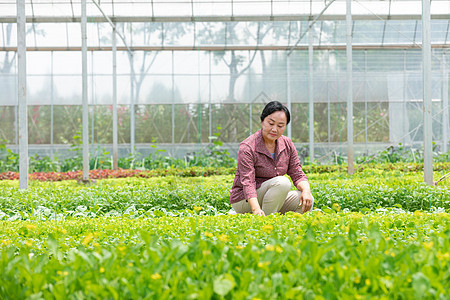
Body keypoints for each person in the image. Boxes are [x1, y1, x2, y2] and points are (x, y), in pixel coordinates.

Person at [230, 101, 314, 216]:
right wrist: (255, 209)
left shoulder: (287, 144)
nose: (274, 129)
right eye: (271, 123)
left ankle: (286, 229)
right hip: (244, 200)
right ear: (263, 121)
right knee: (283, 183)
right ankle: (267, 224)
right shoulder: (248, 146)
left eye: (280, 126)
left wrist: (306, 191)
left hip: (273, 195)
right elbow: (248, 183)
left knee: (305, 199)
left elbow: (297, 173)